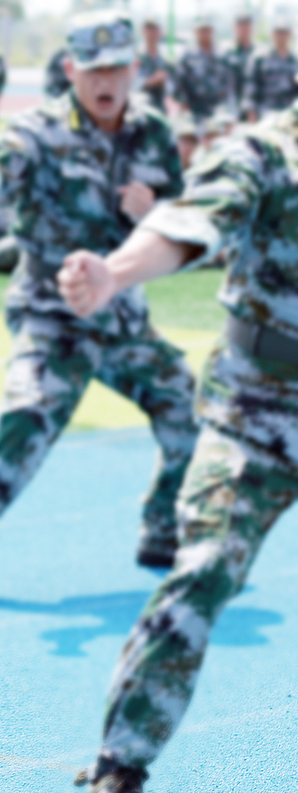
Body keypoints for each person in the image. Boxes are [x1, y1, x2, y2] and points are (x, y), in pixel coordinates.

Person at [58, 97, 298, 793]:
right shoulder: (268, 151)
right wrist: (118, 272)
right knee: (204, 569)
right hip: (256, 410)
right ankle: (120, 764)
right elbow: (191, 221)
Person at [0, 11, 199, 594]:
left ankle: (162, 529)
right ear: (71, 69)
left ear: (135, 69)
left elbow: (185, 220)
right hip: (54, 315)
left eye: (117, 67)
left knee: (186, 403)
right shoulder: (40, 129)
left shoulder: (153, 134)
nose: (106, 80)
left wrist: (154, 211)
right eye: (93, 67)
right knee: (26, 416)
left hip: (123, 317)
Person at [174, 16, 233, 123]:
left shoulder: (223, 55)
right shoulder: (187, 56)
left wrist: (229, 110)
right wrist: (184, 105)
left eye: (207, 30)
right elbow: (180, 84)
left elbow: (229, 84)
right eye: (201, 30)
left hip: (219, 109)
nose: (205, 33)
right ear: (195, 32)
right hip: (195, 109)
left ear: (212, 31)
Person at [242, 15, 298, 122]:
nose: (281, 36)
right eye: (278, 32)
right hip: (265, 112)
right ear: (272, 34)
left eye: (284, 32)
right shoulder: (259, 58)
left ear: (290, 34)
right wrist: (251, 113)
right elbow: (250, 89)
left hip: (290, 114)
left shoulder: (295, 60)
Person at [134, 17, 174, 113]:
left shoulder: (166, 59)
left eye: (154, 29)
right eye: (148, 28)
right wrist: (150, 81)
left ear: (160, 31)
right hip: (138, 108)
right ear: (142, 31)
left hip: (160, 106)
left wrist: (164, 82)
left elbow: (173, 86)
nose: (151, 32)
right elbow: (130, 84)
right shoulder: (135, 56)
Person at [224, 10, 256, 118]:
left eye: (246, 25)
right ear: (234, 27)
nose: (244, 29)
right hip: (231, 107)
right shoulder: (225, 53)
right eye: (240, 25)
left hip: (255, 109)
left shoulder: (260, 53)